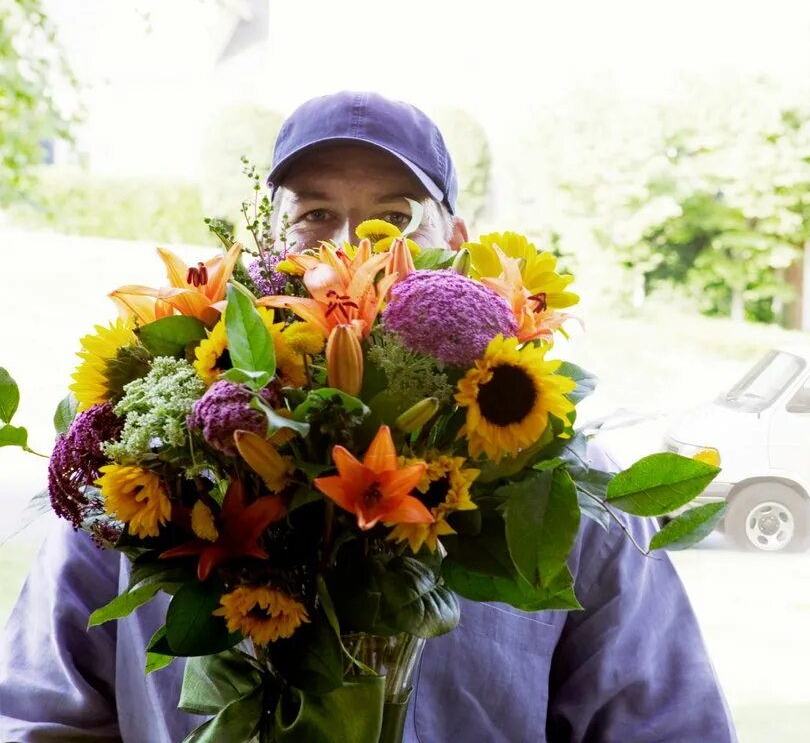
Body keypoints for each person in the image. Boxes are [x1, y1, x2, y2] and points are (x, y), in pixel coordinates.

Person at [0, 92, 736, 742]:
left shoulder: (560, 490)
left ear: (457, 245)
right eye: (314, 216)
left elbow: (666, 723)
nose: (353, 247)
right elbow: (40, 715)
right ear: (261, 251)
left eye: (395, 217)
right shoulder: (139, 479)